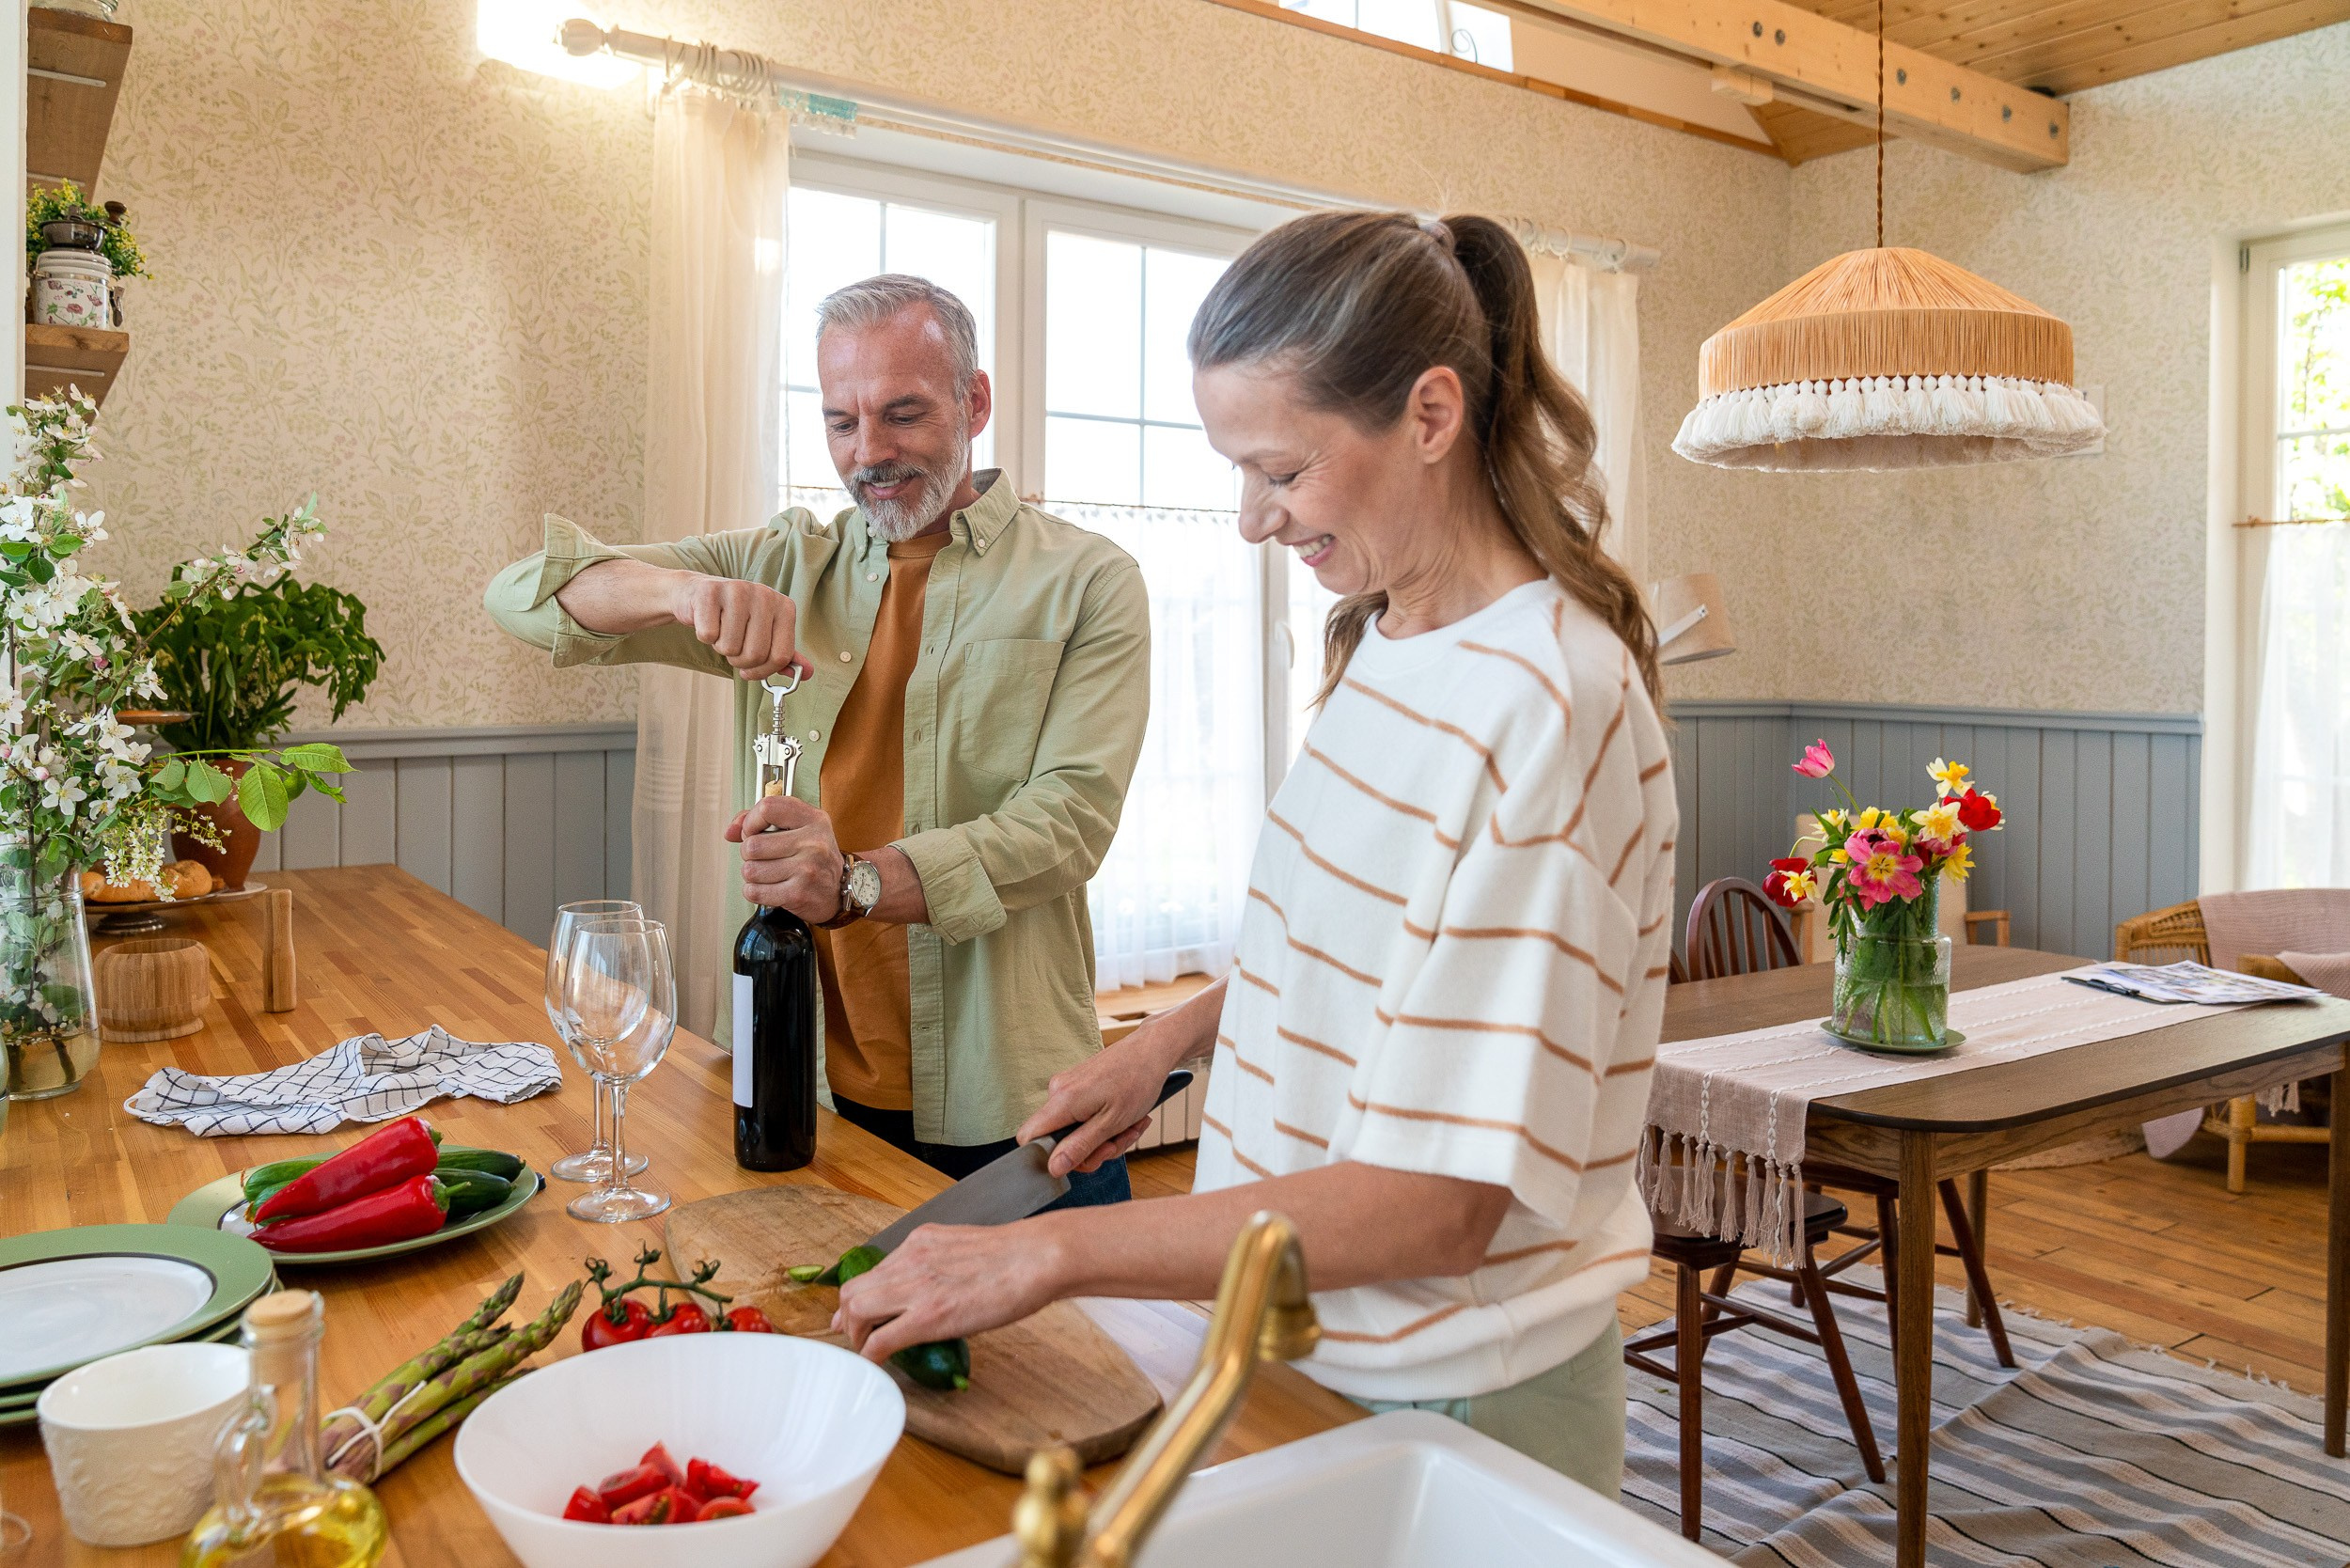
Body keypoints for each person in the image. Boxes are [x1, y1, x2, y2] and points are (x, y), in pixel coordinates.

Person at [829, 212, 1676, 1495]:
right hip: (1305, 1339)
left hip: (1456, 1392)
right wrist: (1172, 1043)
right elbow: (1386, 955)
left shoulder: (1551, 701)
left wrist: (1051, 1256)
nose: (1250, 520)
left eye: (1278, 470)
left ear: (1432, 414)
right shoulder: (1391, 637)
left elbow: (1445, 1200)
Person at [483, 274, 1151, 1201]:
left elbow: (1070, 821)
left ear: (976, 402)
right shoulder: (778, 563)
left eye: (903, 414)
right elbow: (521, 595)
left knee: (1049, 1354)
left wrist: (854, 886)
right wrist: (679, 594)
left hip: (1012, 1092)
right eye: (842, 422)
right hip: (804, 1084)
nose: (868, 452)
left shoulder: (1089, 581)